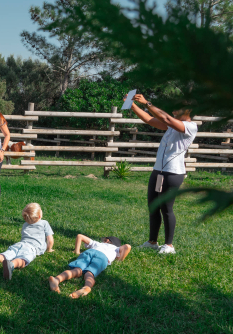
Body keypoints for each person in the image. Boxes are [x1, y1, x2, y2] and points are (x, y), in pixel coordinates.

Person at [128, 94, 198, 254]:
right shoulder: (171, 126)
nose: (173, 109)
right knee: (153, 207)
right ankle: (152, 242)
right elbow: (149, 120)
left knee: (166, 208)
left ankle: (169, 245)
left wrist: (147, 103)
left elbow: (166, 119)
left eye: (177, 107)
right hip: (158, 172)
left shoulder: (190, 127)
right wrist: (133, 106)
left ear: (187, 110)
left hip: (172, 174)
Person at [0, 203, 54, 280]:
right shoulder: (44, 223)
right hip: (31, 249)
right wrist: (49, 249)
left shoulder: (25, 224)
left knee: (4, 255)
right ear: (40, 215)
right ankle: (12, 264)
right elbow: (50, 240)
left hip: (19, 245)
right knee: (23, 260)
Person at [48, 234, 131, 299]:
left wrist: (77, 251)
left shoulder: (98, 244)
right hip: (103, 257)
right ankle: (86, 287)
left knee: (77, 270)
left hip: (89, 252)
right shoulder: (116, 249)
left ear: (107, 240)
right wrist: (120, 258)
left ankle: (57, 279)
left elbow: (80, 236)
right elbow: (127, 246)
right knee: (89, 273)